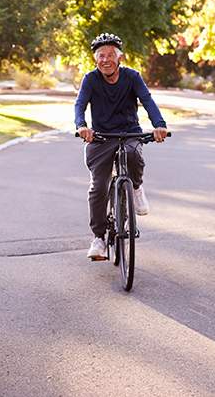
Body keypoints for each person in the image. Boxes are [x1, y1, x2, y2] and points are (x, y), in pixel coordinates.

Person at [74, 33, 168, 260]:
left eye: (110, 55)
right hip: (101, 137)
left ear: (120, 58)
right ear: (96, 60)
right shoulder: (90, 79)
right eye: (100, 56)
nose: (105, 60)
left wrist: (159, 125)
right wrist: (82, 126)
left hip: (129, 133)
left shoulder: (132, 77)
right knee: (98, 188)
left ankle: (135, 187)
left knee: (133, 155)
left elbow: (147, 100)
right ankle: (98, 238)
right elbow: (80, 104)